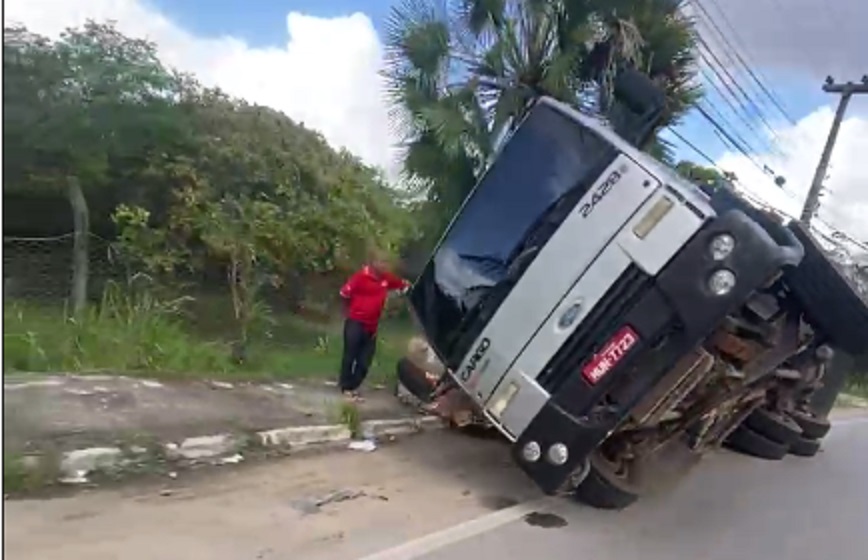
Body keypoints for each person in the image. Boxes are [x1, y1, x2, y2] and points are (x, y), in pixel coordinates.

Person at [338, 252, 410, 401]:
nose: (384, 266)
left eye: (386, 263)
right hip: (355, 322)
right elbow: (344, 294)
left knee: (365, 360)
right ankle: (346, 387)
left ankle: (353, 385)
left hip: (371, 326)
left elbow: (402, 284)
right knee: (350, 355)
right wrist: (350, 311)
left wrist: (408, 286)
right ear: (373, 263)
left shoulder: (386, 279)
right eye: (381, 262)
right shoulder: (360, 277)